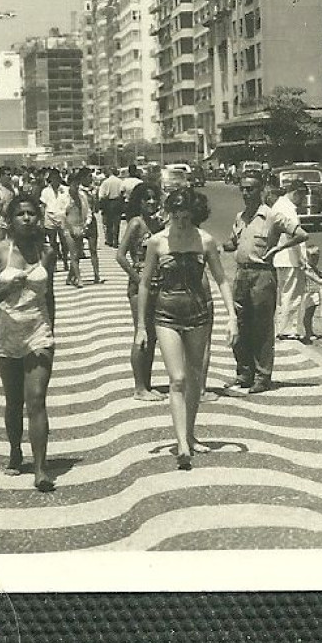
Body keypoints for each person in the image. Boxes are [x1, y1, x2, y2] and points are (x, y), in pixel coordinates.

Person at [137, 187, 237, 471]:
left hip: (198, 313)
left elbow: (221, 278)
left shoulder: (205, 241)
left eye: (185, 217)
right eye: (176, 216)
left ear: (194, 215)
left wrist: (232, 315)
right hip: (166, 313)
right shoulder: (157, 242)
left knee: (194, 377)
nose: (180, 223)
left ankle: (190, 434)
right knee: (177, 378)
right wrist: (141, 327)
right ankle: (181, 444)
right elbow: (145, 283)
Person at [0, 192, 58, 492]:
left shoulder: (47, 252)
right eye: (20, 214)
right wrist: (8, 288)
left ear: (38, 218)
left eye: (31, 214)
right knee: (14, 401)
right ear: (9, 220)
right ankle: (15, 450)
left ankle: (40, 469)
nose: (26, 219)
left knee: (36, 399)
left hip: (38, 330)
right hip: (7, 331)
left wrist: (52, 329)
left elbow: (49, 294)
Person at [222, 172, 307, 395]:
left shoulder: (272, 216)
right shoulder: (241, 217)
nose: (245, 193)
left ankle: (262, 376)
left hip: (262, 276)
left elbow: (301, 234)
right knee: (241, 325)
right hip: (241, 275)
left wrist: (278, 248)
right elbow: (232, 242)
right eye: (242, 188)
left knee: (262, 328)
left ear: (260, 191)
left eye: (250, 189)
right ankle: (244, 374)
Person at [116, 181, 167, 401]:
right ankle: (139, 386)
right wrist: (137, 278)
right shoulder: (136, 223)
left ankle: (146, 383)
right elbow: (120, 255)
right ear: (139, 201)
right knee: (141, 332)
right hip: (139, 285)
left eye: (154, 198)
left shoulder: (157, 225)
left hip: (158, 282)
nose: (152, 202)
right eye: (147, 198)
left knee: (153, 336)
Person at [271, 178, 313, 342]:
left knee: (283, 295)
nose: (302, 201)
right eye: (301, 197)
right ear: (296, 193)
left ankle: (281, 327)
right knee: (292, 295)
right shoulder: (289, 209)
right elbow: (294, 236)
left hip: (279, 258)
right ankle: (287, 330)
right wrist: (302, 259)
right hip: (290, 258)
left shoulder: (279, 205)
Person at [63, 168, 98, 287]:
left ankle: (70, 277)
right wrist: (70, 227)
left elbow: (88, 211)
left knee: (78, 253)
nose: (76, 186)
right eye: (74, 184)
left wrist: (86, 224)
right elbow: (61, 215)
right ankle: (79, 279)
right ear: (69, 184)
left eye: (78, 184)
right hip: (69, 228)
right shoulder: (64, 197)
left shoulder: (82, 196)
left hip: (81, 226)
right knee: (73, 255)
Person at [39, 169, 69, 263]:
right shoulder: (45, 191)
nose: (55, 180)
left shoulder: (65, 189)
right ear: (50, 179)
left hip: (62, 217)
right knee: (52, 242)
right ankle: (54, 261)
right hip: (50, 217)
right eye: (53, 178)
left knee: (64, 241)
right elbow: (43, 206)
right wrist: (42, 220)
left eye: (57, 178)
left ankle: (64, 259)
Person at [96, 167, 126, 248]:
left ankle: (109, 240)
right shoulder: (120, 181)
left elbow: (101, 195)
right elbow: (123, 193)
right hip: (118, 202)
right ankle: (115, 240)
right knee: (116, 223)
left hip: (108, 203)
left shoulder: (105, 182)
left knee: (109, 223)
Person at [0, 165, 18, 241]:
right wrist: (1, 203)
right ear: (1, 176)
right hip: (1, 219)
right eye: (7, 175)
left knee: (12, 242)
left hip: (12, 219)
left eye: (10, 174)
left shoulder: (12, 189)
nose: (10, 177)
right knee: (1, 243)